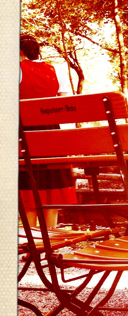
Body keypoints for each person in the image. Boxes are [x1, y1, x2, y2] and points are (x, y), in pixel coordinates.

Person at [19, 34, 77, 227]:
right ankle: (50, 234)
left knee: (28, 184)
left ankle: (31, 237)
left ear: (19, 51)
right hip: (52, 136)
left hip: (25, 136)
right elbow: (65, 105)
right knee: (51, 185)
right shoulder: (55, 70)